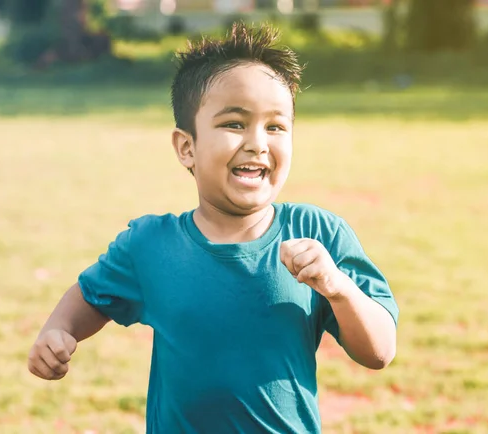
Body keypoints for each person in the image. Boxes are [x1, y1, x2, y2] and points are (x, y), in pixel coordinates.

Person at [28, 22, 399, 433]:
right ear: (187, 147)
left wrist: (338, 287)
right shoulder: (150, 244)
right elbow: (92, 295)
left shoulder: (317, 234)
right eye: (234, 124)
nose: (258, 142)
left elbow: (379, 351)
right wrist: (58, 331)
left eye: (275, 126)